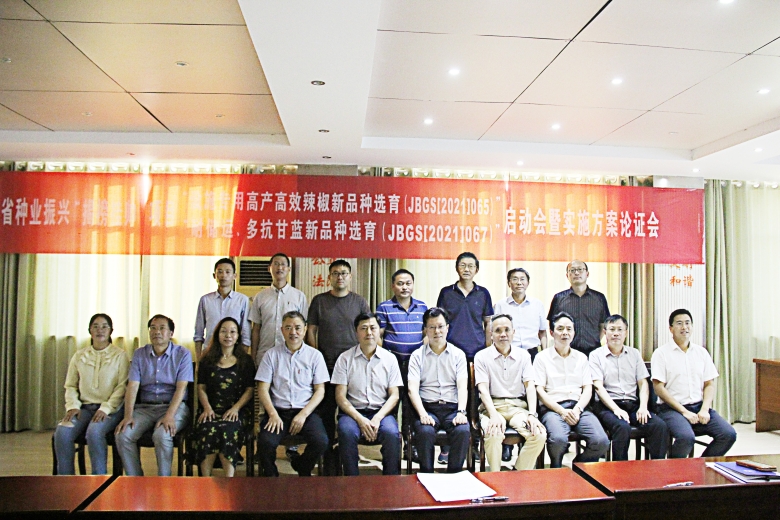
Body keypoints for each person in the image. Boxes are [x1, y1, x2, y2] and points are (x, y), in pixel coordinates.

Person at [306, 259, 370, 474]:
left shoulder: (359, 302)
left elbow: (367, 328)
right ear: (329, 277)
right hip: (326, 366)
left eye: (343, 273)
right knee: (326, 413)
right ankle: (328, 459)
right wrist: (316, 356)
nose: (339, 277)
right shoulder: (319, 301)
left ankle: (348, 452)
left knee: (349, 410)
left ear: (350, 277)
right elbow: (311, 330)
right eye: (335, 273)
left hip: (353, 367)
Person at [652, 309, 737, 458]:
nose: (684, 327)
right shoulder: (661, 353)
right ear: (671, 329)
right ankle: (674, 468)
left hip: (698, 407)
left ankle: (701, 466)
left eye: (687, 323)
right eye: (679, 323)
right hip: (671, 409)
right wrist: (684, 411)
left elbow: (709, 384)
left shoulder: (701, 352)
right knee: (686, 438)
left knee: (728, 434)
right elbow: (658, 388)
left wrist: (705, 409)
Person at [116, 315, 193, 476]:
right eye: (153, 328)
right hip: (145, 408)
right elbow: (132, 386)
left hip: (173, 407)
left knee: (162, 435)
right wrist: (128, 416)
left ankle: (163, 481)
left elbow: (181, 388)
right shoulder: (139, 354)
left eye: (162, 328)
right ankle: (135, 479)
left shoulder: (183, 354)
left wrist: (169, 416)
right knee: (123, 435)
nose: (157, 332)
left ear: (171, 333)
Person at [256, 311, 329, 476]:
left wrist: (303, 414)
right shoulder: (271, 355)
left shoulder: (315, 356)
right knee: (265, 443)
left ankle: (302, 466)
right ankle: (271, 478)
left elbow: (320, 390)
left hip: (306, 412)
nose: (293, 332)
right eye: (288, 328)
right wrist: (272, 414)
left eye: (297, 328)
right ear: (282, 330)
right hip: (278, 412)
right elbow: (262, 388)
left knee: (321, 441)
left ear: (305, 330)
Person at [54, 313, 129, 475]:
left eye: (104, 327)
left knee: (94, 432)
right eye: (95, 326)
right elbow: (70, 385)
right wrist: (73, 406)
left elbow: (122, 387)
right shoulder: (79, 355)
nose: (100, 330)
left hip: (111, 410)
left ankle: (99, 480)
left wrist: (106, 408)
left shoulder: (120, 355)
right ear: (90, 330)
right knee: (62, 432)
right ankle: (66, 480)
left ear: (111, 331)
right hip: (84, 408)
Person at [436, 252, 492, 464]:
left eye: (470, 266)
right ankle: (446, 446)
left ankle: (473, 445)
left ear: (477, 269)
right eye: (462, 265)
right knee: (450, 398)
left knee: (474, 402)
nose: (466, 269)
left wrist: (487, 351)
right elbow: (439, 321)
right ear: (456, 268)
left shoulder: (483, 293)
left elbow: (488, 324)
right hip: (449, 354)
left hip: (476, 354)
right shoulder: (446, 293)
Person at [534, 312, 609, 468]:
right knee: (558, 440)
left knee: (601, 441)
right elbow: (539, 390)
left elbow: (587, 388)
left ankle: (578, 467)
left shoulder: (581, 358)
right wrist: (561, 411)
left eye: (569, 329)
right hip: (553, 409)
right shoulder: (542, 358)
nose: (565, 333)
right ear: (551, 332)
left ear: (574, 333)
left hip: (579, 408)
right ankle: (556, 469)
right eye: (560, 329)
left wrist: (578, 409)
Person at [590, 314, 668, 461]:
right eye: (612, 329)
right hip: (608, 406)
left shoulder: (634, 354)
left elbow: (643, 383)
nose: (616, 333)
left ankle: (657, 468)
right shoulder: (596, 355)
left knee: (659, 426)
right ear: (605, 332)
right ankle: (620, 471)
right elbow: (598, 387)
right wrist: (616, 409)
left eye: (620, 329)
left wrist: (643, 407)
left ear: (626, 333)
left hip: (633, 405)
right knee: (622, 427)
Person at [332, 313, 402, 476]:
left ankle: (391, 481)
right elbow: (340, 396)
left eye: (373, 328)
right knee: (346, 432)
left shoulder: (390, 359)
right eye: (363, 328)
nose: (369, 332)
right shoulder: (344, 359)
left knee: (391, 434)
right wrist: (360, 419)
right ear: (356, 332)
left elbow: (394, 395)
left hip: (381, 413)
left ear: (379, 331)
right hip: (352, 413)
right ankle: (352, 481)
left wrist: (377, 418)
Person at [475, 314, 546, 471]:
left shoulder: (524, 356)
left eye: (507, 330)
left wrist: (532, 414)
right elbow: (483, 390)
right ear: (491, 334)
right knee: (493, 432)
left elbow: (530, 386)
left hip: (518, 408)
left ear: (513, 332)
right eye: (498, 330)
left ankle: (517, 475)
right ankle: (496, 476)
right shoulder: (481, 356)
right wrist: (493, 415)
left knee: (539, 434)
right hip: (492, 407)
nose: (503, 334)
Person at [493, 267, 547, 461]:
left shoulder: (537, 304)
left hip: (531, 354)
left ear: (528, 282)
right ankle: (506, 446)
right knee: (510, 393)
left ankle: (526, 441)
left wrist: (544, 354)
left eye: (522, 279)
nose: (519, 282)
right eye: (514, 279)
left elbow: (543, 332)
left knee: (529, 395)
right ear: (509, 283)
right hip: (508, 353)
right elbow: (495, 331)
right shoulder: (500, 305)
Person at [407, 307, 470, 473]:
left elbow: (462, 386)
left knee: (463, 430)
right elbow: (412, 389)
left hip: (452, 408)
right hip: (428, 408)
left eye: (441, 326)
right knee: (425, 431)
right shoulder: (417, 356)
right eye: (432, 327)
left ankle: (454, 475)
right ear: (425, 330)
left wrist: (461, 412)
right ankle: (427, 475)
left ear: (447, 328)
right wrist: (422, 414)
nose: (437, 331)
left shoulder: (458, 355)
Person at [189, 317, 255, 476]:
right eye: (223, 331)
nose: (228, 335)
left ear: (238, 336)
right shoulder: (207, 359)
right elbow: (201, 387)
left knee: (229, 429)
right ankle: (205, 479)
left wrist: (235, 409)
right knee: (207, 428)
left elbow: (250, 390)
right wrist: (207, 408)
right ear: (217, 334)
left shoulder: (245, 361)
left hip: (237, 411)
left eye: (232, 332)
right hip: (211, 409)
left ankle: (228, 478)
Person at [249, 252, 308, 368]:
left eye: (283, 264)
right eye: (276, 264)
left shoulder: (299, 296)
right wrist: (253, 356)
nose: (280, 267)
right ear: (269, 268)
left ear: (289, 269)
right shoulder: (260, 296)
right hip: (264, 354)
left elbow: (303, 328)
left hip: (291, 355)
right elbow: (256, 329)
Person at [547, 260, 610, 357]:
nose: (576, 273)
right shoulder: (558, 298)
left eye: (580, 269)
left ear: (587, 274)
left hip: (593, 352)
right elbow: (552, 325)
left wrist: (595, 340)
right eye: (572, 270)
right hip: (566, 353)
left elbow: (603, 325)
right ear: (567, 275)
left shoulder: (599, 298)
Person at [376, 268, 427, 382]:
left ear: (413, 285)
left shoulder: (422, 306)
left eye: (408, 283)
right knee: (394, 391)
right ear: (393, 286)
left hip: (416, 362)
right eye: (400, 284)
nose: (405, 287)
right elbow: (378, 335)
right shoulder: (384, 307)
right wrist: (386, 356)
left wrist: (421, 353)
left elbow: (426, 333)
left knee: (413, 391)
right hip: (392, 363)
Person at [194, 258, 251, 358]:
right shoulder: (205, 300)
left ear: (235, 276)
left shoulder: (242, 300)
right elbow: (198, 333)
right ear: (214, 276)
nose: (224, 275)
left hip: (234, 355)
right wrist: (199, 360)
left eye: (228, 272)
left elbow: (246, 333)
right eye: (220, 272)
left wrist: (242, 358)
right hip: (209, 353)